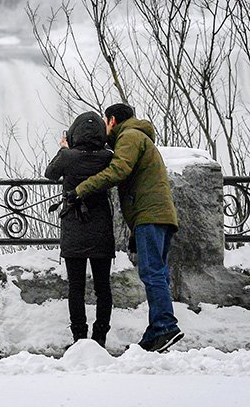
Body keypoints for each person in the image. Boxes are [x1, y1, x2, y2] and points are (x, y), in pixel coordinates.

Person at [73, 103, 184, 353]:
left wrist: (82, 188)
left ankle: (165, 326)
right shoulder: (137, 136)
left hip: (149, 215)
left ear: (112, 120)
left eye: (104, 121)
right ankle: (155, 332)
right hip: (159, 215)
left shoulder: (130, 136)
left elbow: (118, 169)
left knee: (152, 272)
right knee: (159, 273)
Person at [45, 111, 115, 348]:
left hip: (74, 227)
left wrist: (63, 149)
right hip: (101, 229)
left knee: (76, 287)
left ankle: (79, 338)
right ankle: (100, 336)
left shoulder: (68, 157)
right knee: (103, 286)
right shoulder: (108, 157)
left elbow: (50, 174)